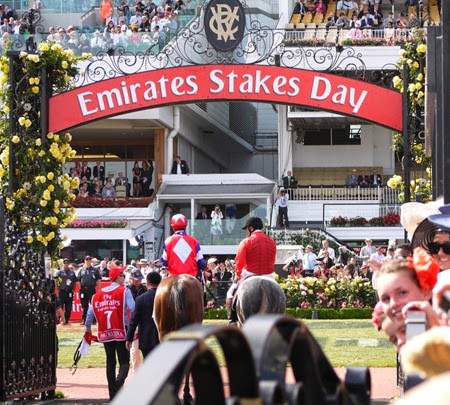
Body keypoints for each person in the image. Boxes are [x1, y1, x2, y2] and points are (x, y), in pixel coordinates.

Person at [85, 266, 135, 400]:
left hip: (105, 333)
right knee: (124, 362)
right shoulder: (124, 291)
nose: (124, 278)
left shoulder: (97, 295)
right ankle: (118, 385)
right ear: (118, 277)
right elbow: (133, 309)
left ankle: (112, 394)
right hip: (121, 330)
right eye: (123, 275)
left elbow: (89, 315)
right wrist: (135, 326)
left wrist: (88, 329)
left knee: (110, 362)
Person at [227, 216, 277, 323]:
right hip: (268, 275)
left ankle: (232, 320)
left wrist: (237, 274)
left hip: (249, 273)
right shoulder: (271, 242)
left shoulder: (246, 242)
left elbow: (239, 261)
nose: (246, 232)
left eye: (246, 230)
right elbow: (272, 260)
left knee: (230, 293)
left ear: (251, 228)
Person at [126, 271, 161, 359]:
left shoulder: (141, 299)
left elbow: (134, 320)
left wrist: (129, 338)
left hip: (146, 338)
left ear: (147, 282)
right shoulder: (166, 297)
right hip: (162, 338)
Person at [126, 268, 147, 372]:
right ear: (131, 279)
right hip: (133, 322)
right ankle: (136, 372)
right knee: (135, 349)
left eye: (139, 279)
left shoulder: (144, 289)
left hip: (144, 321)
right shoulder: (127, 290)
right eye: (136, 279)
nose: (138, 281)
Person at [78, 255, 102, 325]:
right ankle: (84, 319)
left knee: (93, 305)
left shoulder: (94, 270)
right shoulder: (81, 270)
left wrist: (99, 289)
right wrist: (80, 289)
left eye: (89, 260)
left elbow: (99, 280)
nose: (88, 261)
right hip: (83, 290)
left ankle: (94, 320)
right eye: (86, 260)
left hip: (91, 289)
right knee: (84, 306)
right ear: (84, 261)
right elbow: (79, 280)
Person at [56, 258, 77, 324]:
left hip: (69, 292)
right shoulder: (59, 272)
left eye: (67, 263)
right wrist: (57, 289)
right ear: (63, 264)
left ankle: (66, 320)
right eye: (65, 263)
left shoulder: (72, 273)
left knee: (69, 307)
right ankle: (60, 320)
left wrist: (73, 290)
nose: (66, 264)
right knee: (60, 306)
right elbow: (56, 282)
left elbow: (74, 282)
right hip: (62, 291)